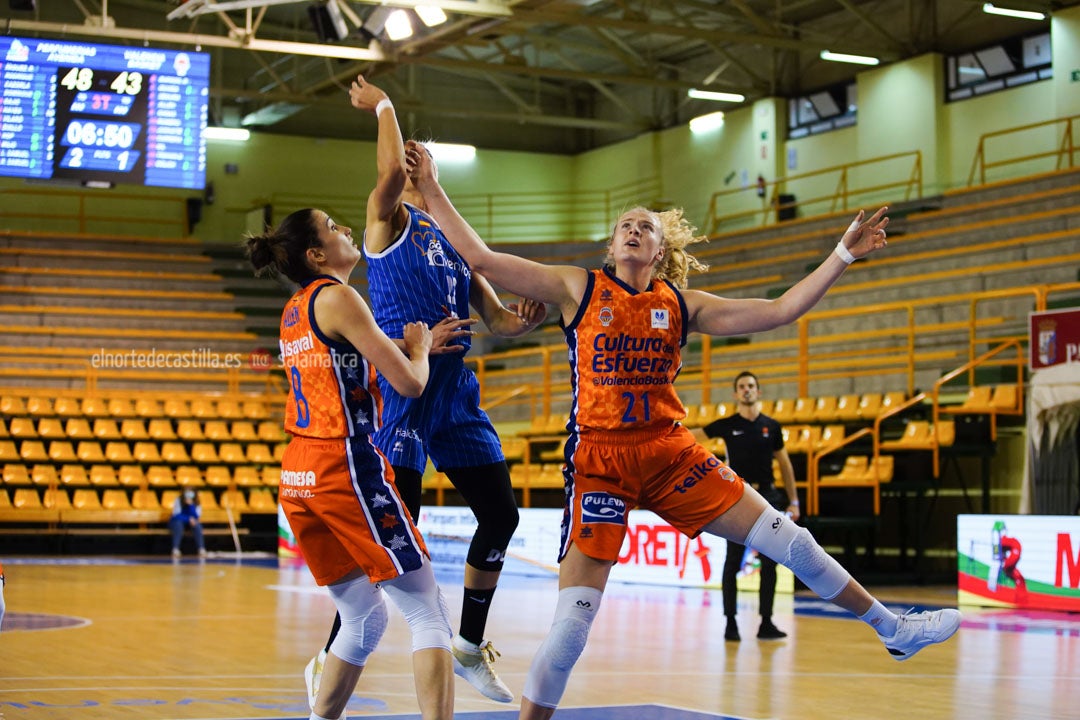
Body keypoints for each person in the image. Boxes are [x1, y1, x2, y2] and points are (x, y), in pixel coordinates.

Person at [405, 145, 963, 719]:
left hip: (671, 452)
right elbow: (482, 258)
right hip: (601, 460)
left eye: (643, 226)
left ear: (658, 248)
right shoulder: (579, 287)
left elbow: (781, 309)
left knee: (790, 540)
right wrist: (429, 187)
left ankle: (893, 627)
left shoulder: (682, 304)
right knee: (572, 628)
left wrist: (844, 252)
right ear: (612, 244)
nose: (631, 229)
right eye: (623, 224)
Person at [302, 74, 547, 707]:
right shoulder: (385, 225)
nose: (410, 161)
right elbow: (385, 178)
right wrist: (385, 109)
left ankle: (468, 643)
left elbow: (495, 320)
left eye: (419, 154)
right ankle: (331, 654)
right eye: (404, 155)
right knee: (392, 536)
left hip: (456, 393)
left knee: (502, 514)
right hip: (402, 386)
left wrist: (525, 318)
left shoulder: (456, 242)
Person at [246, 208, 454, 720]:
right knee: (428, 613)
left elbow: (348, 368)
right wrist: (422, 350)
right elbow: (410, 382)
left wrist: (405, 348)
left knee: (361, 616)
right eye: (333, 227)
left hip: (298, 470)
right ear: (316, 254)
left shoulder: (295, 308)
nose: (345, 230)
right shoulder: (339, 295)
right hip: (344, 461)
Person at [692, 371, 799, 642]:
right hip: (737, 499)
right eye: (742, 387)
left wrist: (794, 500)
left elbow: (785, 465)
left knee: (770, 564)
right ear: (735, 394)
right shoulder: (727, 425)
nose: (747, 390)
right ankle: (730, 623)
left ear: (758, 391)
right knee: (732, 562)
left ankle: (766, 622)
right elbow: (690, 438)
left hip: (769, 499)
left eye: (751, 386)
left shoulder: (771, 427)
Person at [169, 488, 207, 558]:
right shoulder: (179, 500)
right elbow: (176, 514)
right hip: (178, 521)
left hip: (190, 522)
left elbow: (196, 516)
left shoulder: (197, 502)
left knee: (197, 525)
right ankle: (175, 549)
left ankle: (201, 549)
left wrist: (191, 505)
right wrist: (188, 519)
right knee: (178, 525)